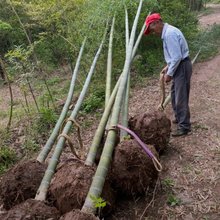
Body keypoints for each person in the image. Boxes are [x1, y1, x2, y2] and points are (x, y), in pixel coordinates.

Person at [144, 13, 192, 137]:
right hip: (179, 65)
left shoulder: (169, 34)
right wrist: (167, 67)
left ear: (157, 23)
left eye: (152, 29)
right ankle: (179, 117)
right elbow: (174, 56)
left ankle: (184, 126)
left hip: (181, 66)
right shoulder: (167, 33)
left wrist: (169, 74)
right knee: (175, 94)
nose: (153, 32)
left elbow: (177, 57)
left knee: (180, 97)